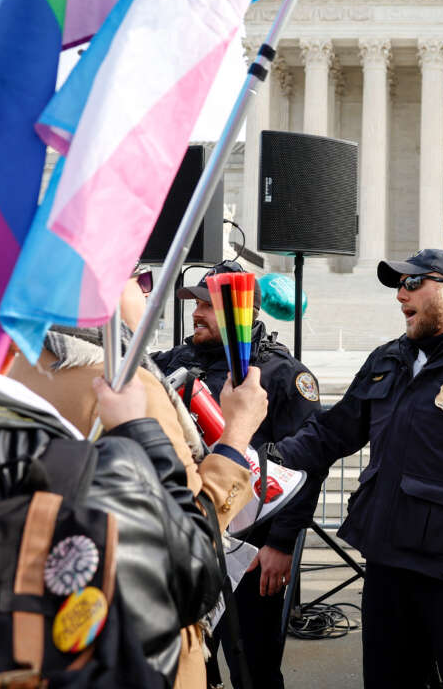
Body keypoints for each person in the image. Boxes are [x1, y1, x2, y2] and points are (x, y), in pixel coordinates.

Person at [274, 249, 443, 688]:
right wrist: (265, 459)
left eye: (414, 283)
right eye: (398, 286)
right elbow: (331, 434)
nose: (401, 295)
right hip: (388, 570)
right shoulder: (388, 362)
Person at [0, 343, 268, 686]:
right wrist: (237, 435)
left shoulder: (15, 366)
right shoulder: (129, 387)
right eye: (140, 285)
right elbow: (183, 549)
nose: (145, 295)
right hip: (136, 642)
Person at [153, 261, 323, 689]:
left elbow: (307, 465)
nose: (196, 313)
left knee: (255, 667)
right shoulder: (172, 361)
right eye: (195, 303)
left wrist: (282, 544)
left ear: (241, 310)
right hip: (190, 536)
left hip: (252, 550)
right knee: (192, 664)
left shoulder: (285, 373)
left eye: (208, 305)